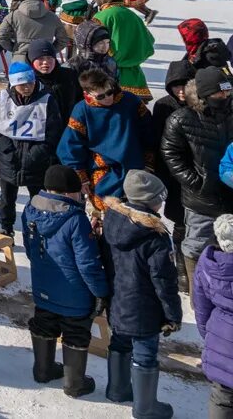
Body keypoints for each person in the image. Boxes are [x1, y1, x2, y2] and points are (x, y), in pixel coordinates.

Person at [24, 164, 110, 397]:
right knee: (75, 331)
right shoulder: (76, 220)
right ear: (67, 192)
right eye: (78, 191)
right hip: (74, 294)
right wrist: (101, 292)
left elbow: (30, 249)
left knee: (44, 322)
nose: (81, 194)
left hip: (42, 285)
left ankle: (43, 369)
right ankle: (74, 383)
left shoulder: (29, 209)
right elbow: (88, 264)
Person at [103, 170, 181, 416]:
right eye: (160, 198)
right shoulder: (154, 236)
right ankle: (145, 407)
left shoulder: (113, 220)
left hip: (118, 300)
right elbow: (164, 280)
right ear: (151, 201)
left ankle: (117, 389)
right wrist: (173, 315)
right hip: (144, 308)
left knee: (120, 341)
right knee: (145, 352)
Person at [161, 67, 233, 283]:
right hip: (201, 199)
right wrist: (196, 182)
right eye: (219, 94)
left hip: (231, 193)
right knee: (196, 246)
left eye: (228, 93)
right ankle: (195, 290)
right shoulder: (181, 119)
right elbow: (171, 154)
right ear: (203, 95)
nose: (225, 97)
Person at [60, 69, 153, 216]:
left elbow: (149, 132)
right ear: (88, 94)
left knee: (137, 215)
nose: (108, 98)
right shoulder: (82, 110)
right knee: (104, 215)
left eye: (109, 92)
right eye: (101, 96)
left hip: (134, 167)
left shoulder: (130, 101)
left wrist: (149, 162)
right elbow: (70, 146)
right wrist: (81, 177)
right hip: (102, 172)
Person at [0, 61, 64, 238]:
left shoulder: (47, 98)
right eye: (22, 85)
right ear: (14, 84)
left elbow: (54, 132)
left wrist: (36, 155)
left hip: (36, 160)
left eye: (30, 83)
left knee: (37, 198)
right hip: (10, 159)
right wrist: (7, 150)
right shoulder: (3, 97)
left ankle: (36, 227)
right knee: (7, 198)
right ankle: (6, 227)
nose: (27, 87)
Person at [192, 215, 233, 419]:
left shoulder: (209, 264)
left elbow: (201, 307)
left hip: (219, 337)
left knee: (222, 396)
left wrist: (208, 335)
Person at [94, 0, 157, 98]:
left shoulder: (102, 16)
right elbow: (149, 41)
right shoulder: (134, 16)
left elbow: (91, 43)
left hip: (108, 75)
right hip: (134, 76)